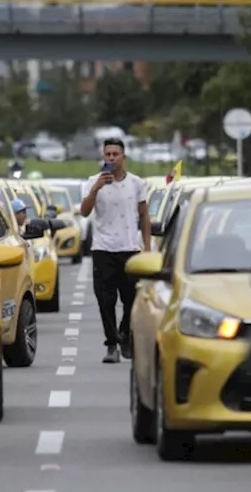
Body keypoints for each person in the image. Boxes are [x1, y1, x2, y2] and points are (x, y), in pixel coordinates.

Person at [79, 137, 150, 363]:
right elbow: (84, 212)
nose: (111, 158)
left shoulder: (137, 183)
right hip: (103, 248)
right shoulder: (92, 182)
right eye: (107, 154)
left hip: (129, 248)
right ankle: (112, 344)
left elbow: (144, 215)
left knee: (132, 298)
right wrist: (96, 188)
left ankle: (125, 336)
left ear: (123, 157)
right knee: (105, 300)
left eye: (115, 154)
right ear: (103, 157)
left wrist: (147, 246)